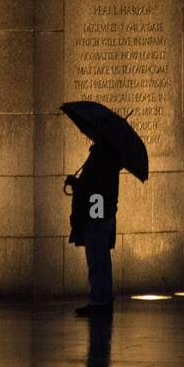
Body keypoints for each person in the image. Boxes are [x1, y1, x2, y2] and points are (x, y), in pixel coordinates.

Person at [67, 133, 123, 316]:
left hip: (96, 210)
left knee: (97, 257)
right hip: (101, 210)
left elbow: (92, 186)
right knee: (101, 258)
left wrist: (76, 184)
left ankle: (99, 300)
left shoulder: (100, 156)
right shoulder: (110, 156)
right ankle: (102, 298)